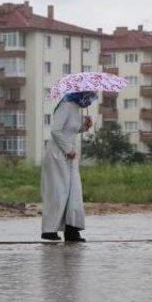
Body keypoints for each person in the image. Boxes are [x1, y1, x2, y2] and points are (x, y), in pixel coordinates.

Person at [41, 91, 97, 242]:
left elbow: (71, 130)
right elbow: (55, 131)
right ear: (81, 95)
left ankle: (72, 230)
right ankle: (49, 230)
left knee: (74, 192)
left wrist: (84, 127)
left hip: (70, 156)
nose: (90, 101)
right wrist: (67, 149)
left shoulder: (77, 109)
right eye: (89, 97)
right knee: (59, 191)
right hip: (57, 155)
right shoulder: (65, 105)